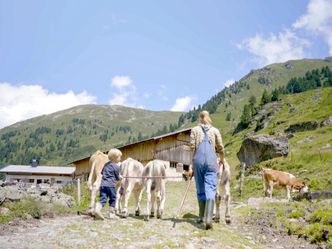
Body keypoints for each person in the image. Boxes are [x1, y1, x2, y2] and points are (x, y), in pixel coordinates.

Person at [189, 110, 225, 230]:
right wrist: (222, 159)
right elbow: (220, 147)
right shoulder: (215, 130)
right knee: (210, 187)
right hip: (211, 161)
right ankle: (209, 217)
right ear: (209, 118)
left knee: (200, 187)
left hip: (198, 160)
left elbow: (192, 147)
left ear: (200, 118)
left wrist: (192, 164)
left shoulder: (194, 130)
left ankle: (201, 216)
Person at [94, 148, 122, 220]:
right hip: (111, 185)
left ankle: (97, 209)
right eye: (120, 157)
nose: (120, 158)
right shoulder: (116, 167)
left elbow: (102, 173)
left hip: (103, 185)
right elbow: (117, 178)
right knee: (113, 199)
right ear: (115, 158)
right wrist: (120, 177)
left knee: (103, 199)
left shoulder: (106, 165)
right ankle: (111, 215)